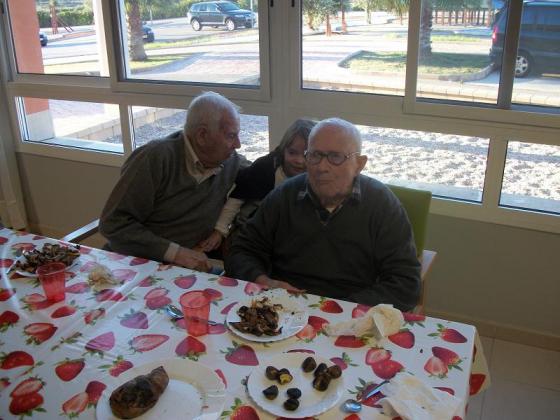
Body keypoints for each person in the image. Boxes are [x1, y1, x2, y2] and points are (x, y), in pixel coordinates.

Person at [225, 118, 421, 311]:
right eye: (315, 155)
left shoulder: (382, 205)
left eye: (336, 157)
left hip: (353, 313)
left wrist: (339, 308)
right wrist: (265, 282)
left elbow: (406, 284)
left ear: (359, 164)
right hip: (283, 309)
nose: (322, 167)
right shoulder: (285, 195)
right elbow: (241, 250)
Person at [99, 91, 246, 272]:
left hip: (183, 268)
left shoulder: (229, 161)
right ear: (202, 135)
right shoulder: (155, 158)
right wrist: (176, 253)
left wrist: (220, 230)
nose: (238, 144)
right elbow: (113, 223)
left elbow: (262, 173)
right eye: (231, 136)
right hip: (132, 264)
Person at [195, 118, 316, 253]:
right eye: (292, 153)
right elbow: (237, 197)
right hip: (251, 223)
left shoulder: (317, 175)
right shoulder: (265, 168)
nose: (299, 161)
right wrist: (220, 231)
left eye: (306, 154)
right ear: (283, 150)